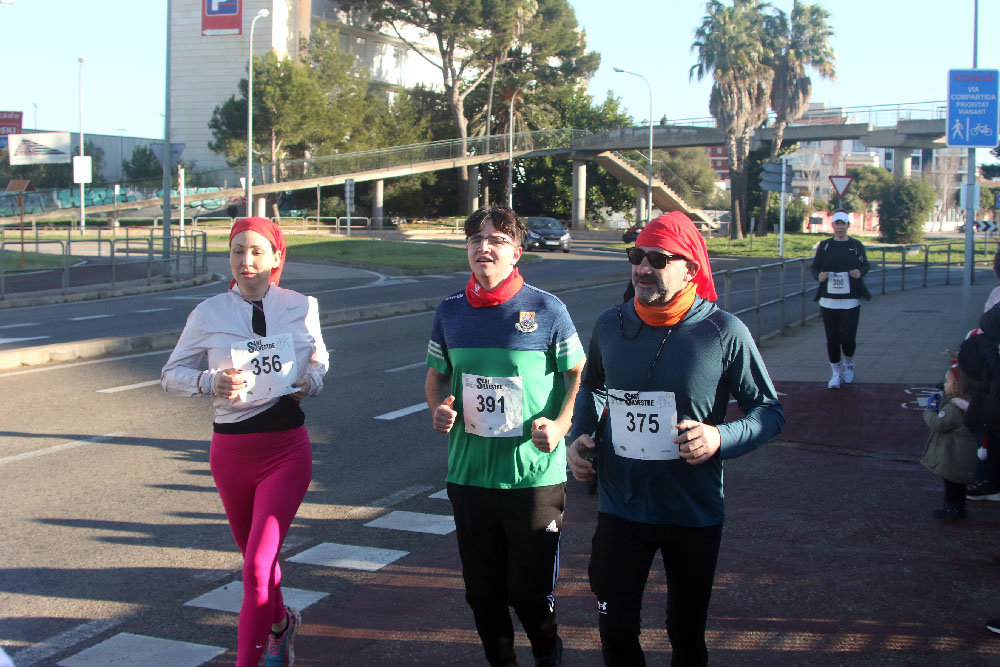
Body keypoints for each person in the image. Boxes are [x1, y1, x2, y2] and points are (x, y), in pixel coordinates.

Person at [566, 211, 784, 666]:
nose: (643, 267)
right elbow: (592, 385)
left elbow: (769, 411)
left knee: (685, 634)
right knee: (616, 628)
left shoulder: (723, 331)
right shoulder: (611, 323)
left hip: (693, 511)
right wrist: (583, 432)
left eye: (659, 259)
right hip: (622, 506)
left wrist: (719, 437)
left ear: (691, 268)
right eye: (637, 256)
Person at [161, 217, 329, 667]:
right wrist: (207, 380)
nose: (246, 260)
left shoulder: (301, 305)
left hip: (285, 449)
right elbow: (170, 375)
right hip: (230, 453)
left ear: (276, 257)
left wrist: (308, 383)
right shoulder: (209, 313)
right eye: (237, 251)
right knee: (260, 565)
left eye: (256, 251)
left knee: (255, 568)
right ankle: (280, 626)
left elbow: (319, 361)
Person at [424, 205, 586, 667]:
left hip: (533, 479)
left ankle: (547, 651)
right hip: (470, 477)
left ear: (517, 251)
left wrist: (559, 425)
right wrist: (437, 407)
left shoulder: (546, 309)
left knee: (527, 594)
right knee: (483, 595)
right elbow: (436, 375)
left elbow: (579, 374)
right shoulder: (450, 311)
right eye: (475, 240)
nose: (483, 248)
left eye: (494, 240)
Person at [811, 209, 871, 389]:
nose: (840, 228)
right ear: (833, 226)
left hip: (851, 299)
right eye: (837, 224)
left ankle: (849, 364)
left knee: (848, 336)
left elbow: (865, 265)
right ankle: (836, 373)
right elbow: (815, 268)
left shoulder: (856, 245)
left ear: (848, 226)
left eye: (843, 224)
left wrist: (859, 272)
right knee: (832, 338)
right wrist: (819, 275)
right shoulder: (825, 246)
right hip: (828, 300)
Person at [919, 363, 978, 519]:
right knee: (960, 483)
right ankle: (959, 507)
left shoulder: (953, 408)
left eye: (947, 382)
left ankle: (951, 508)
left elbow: (940, 424)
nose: (944, 385)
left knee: (951, 482)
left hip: (952, 454)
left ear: (957, 386)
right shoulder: (969, 402)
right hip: (964, 452)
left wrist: (928, 413)